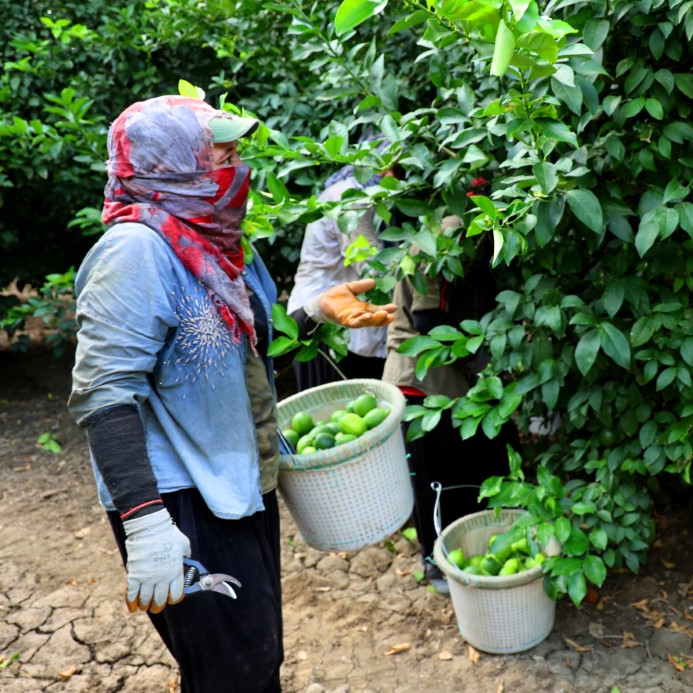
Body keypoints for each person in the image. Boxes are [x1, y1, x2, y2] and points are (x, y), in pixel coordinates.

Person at [67, 95, 395, 693]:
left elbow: (242, 349)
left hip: (239, 484)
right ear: (171, 164)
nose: (236, 166)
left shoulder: (216, 241)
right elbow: (104, 393)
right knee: (234, 672)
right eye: (220, 154)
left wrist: (316, 312)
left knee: (256, 657)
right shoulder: (135, 252)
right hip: (179, 501)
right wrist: (145, 523)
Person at [381, 221, 515, 593]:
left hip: (457, 381)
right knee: (437, 481)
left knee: (478, 469)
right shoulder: (445, 236)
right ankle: (438, 562)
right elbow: (428, 320)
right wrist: (480, 362)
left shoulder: (480, 232)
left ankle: (475, 549)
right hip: (426, 380)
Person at [287, 140, 392, 390]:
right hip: (322, 326)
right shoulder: (353, 199)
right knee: (331, 407)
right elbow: (371, 267)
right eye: (389, 167)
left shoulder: (363, 193)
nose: (392, 177)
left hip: (343, 323)